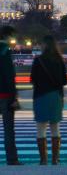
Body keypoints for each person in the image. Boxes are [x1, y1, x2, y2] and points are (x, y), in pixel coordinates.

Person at [30, 35, 67, 165]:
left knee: (41, 128)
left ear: (44, 45)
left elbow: (32, 79)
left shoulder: (38, 60)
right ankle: (55, 159)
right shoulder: (59, 60)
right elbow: (64, 80)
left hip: (40, 96)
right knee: (55, 127)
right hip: (55, 96)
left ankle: (43, 159)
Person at [0, 25, 23, 165]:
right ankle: (12, 158)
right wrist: (14, 96)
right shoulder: (5, 52)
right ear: (7, 36)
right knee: (9, 130)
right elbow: (9, 75)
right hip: (5, 96)